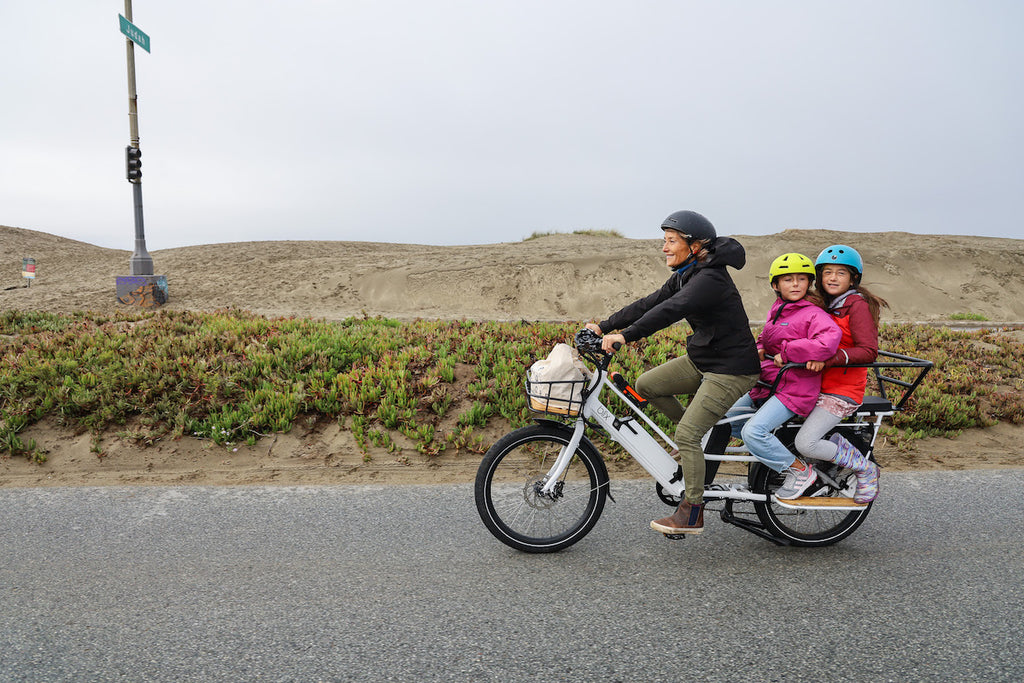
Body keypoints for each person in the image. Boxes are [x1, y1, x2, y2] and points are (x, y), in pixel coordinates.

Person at [585, 210, 761, 536]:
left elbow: (670, 311)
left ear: (694, 245)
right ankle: (696, 437)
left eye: (671, 241)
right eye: (664, 240)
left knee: (687, 436)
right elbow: (650, 302)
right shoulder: (687, 273)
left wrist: (625, 336)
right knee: (647, 385)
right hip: (705, 359)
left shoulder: (710, 279)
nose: (664, 248)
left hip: (731, 369)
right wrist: (605, 325)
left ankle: (692, 511)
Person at [724, 253, 841, 500]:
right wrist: (759, 347)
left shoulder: (814, 314)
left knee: (753, 432)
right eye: (788, 279)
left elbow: (827, 343)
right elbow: (767, 337)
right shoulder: (778, 310)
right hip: (768, 383)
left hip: (795, 389)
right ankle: (772, 449)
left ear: (809, 283)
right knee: (727, 420)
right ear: (776, 285)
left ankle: (799, 471)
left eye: (801, 279)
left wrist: (788, 351)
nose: (796, 284)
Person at [791, 244, 890, 503]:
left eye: (841, 273)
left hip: (841, 391)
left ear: (853, 278)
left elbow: (869, 351)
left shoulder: (856, 305)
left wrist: (831, 359)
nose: (833, 278)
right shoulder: (826, 304)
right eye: (828, 272)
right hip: (814, 385)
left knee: (806, 443)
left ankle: (864, 468)